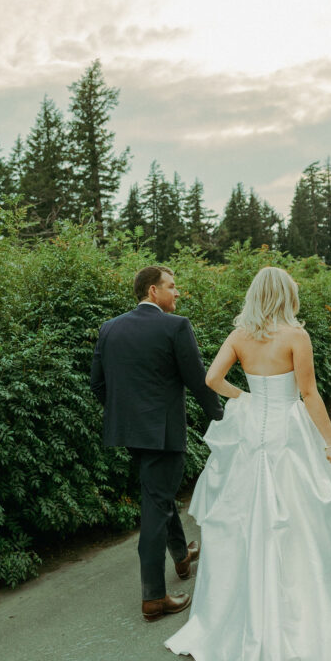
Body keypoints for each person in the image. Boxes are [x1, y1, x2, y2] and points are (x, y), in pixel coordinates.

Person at [164, 266, 331, 661]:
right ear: (286, 295)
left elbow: (211, 379)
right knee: (304, 518)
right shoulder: (296, 337)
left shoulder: (241, 336)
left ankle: (247, 628)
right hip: (288, 432)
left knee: (249, 521)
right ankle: (309, 618)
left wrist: (244, 397)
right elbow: (309, 393)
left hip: (252, 432)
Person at [90, 265, 224, 620]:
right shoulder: (175, 326)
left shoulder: (110, 328)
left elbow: (98, 385)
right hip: (164, 435)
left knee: (157, 492)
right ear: (153, 291)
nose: (177, 292)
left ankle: (181, 556)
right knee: (155, 505)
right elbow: (198, 380)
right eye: (172, 286)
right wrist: (224, 420)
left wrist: (129, 417)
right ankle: (153, 596)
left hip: (132, 433)